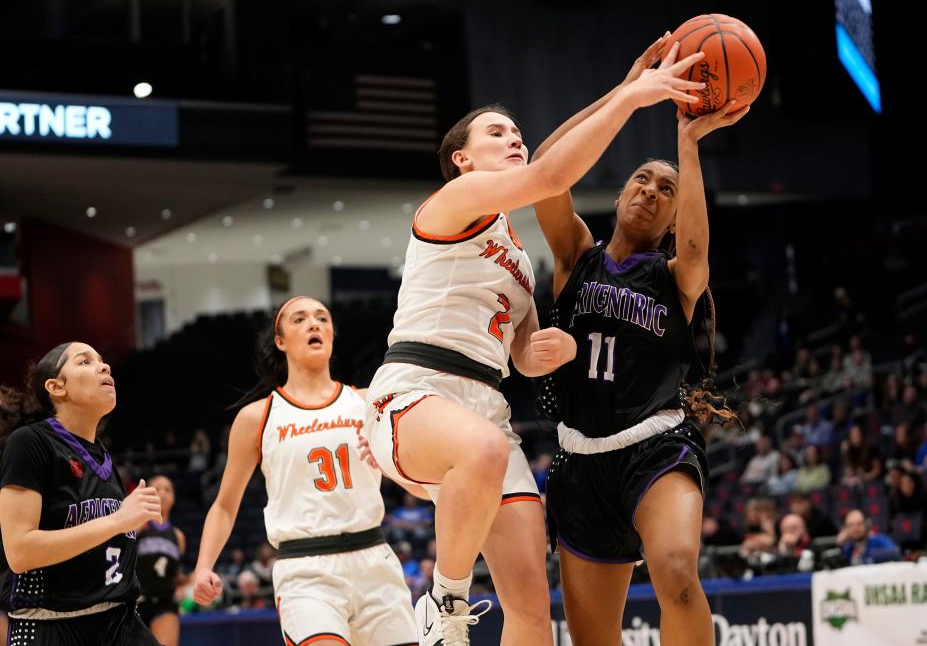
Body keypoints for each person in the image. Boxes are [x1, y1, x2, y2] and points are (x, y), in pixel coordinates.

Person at [362, 32, 707, 646]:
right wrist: (631, 95)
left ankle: (459, 606)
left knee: (530, 612)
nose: (512, 137)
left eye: (515, 132)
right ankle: (444, 604)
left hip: (486, 409)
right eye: (496, 132)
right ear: (462, 160)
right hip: (417, 389)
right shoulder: (453, 201)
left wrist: (545, 350)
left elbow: (522, 355)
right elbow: (553, 171)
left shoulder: (518, 258)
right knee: (487, 452)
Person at [530, 37, 748, 644]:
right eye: (642, 179)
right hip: (579, 462)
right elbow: (546, 169)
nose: (651, 190)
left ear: (674, 217)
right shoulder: (576, 254)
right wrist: (626, 96)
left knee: (677, 575)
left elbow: (700, 252)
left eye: (666, 190)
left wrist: (688, 139)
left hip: (657, 449)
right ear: (622, 191)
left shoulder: (675, 277)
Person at [192, 297, 417, 646]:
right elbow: (224, 504)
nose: (314, 324)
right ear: (280, 341)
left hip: (375, 558)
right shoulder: (257, 417)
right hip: (305, 569)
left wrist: (394, 466)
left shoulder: (369, 402)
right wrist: (204, 565)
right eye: (300, 319)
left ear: (332, 333)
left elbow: (419, 484)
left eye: (322, 318)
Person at [0, 342, 162, 645]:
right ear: (57, 387)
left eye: (102, 360)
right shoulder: (29, 443)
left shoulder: (104, 458)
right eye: (85, 362)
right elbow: (20, 552)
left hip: (119, 622)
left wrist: (127, 521)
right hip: (53, 627)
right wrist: (118, 521)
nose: (104, 367)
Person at [136, 475, 186, 646]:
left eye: (168, 489)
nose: (163, 494)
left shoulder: (178, 536)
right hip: (135, 601)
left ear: (173, 497)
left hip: (165, 602)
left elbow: (176, 575)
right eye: (157, 489)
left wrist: (189, 581)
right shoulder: (137, 525)